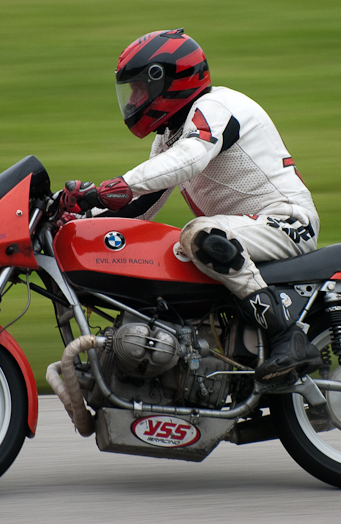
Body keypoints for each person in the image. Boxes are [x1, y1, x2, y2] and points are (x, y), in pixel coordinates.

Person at [59, 29, 321, 383]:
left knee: (198, 235)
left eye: (139, 88)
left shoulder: (214, 108)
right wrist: (72, 222)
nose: (133, 99)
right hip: (249, 227)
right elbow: (139, 207)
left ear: (166, 82)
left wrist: (114, 187)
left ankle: (287, 336)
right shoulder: (170, 137)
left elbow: (190, 159)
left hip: (287, 222)